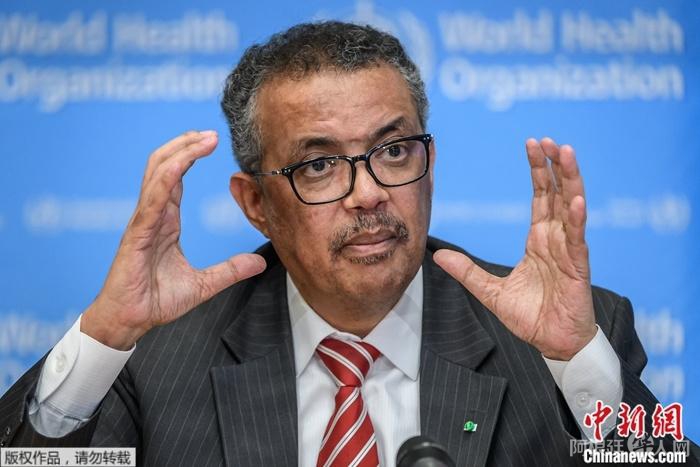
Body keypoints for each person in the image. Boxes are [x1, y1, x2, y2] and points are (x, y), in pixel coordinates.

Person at [0, 21, 697, 466]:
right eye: (320, 165)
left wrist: (579, 365)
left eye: (393, 151)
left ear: (429, 163)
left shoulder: (564, 338)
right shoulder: (153, 357)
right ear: (256, 204)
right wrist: (105, 337)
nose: (368, 194)